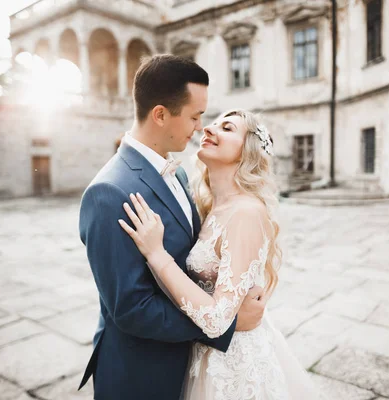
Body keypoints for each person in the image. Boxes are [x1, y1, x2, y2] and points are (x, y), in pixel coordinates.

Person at [77, 54, 266, 399]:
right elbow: (132, 310)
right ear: (161, 115)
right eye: (195, 116)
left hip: (187, 364)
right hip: (141, 374)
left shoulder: (178, 172)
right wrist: (228, 325)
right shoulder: (108, 192)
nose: (200, 127)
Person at [119, 108, 318, 399]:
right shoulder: (211, 207)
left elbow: (216, 319)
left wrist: (157, 254)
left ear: (246, 150)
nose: (208, 129)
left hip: (233, 367)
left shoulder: (247, 211)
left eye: (227, 128)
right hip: (206, 358)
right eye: (212, 124)